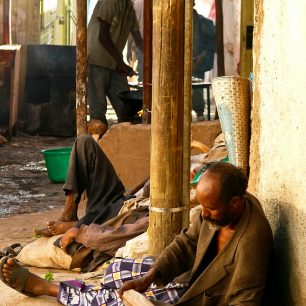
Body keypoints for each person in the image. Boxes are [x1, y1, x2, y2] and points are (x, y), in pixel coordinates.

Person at [0, 162, 273, 305]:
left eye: (209, 209)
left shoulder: (251, 242)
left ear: (235, 203)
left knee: (117, 301)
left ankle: (47, 287)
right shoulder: (220, 208)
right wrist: (149, 279)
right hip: (189, 278)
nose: (202, 214)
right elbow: (187, 243)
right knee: (119, 271)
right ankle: (93, 291)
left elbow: (244, 301)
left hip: (200, 299)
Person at [88, 0, 144, 128]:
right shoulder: (110, 3)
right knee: (98, 112)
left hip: (115, 64)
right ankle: (98, 144)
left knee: (127, 108)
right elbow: (103, 36)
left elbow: (139, 41)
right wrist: (121, 63)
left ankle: (125, 143)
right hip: (97, 61)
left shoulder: (129, 8)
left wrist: (154, 60)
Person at [192, 2, 216, 121]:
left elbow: (212, 44)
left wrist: (201, 57)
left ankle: (200, 113)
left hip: (197, 64)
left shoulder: (204, 23)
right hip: (181, 64)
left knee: (196, 89)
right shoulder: (177, 24)